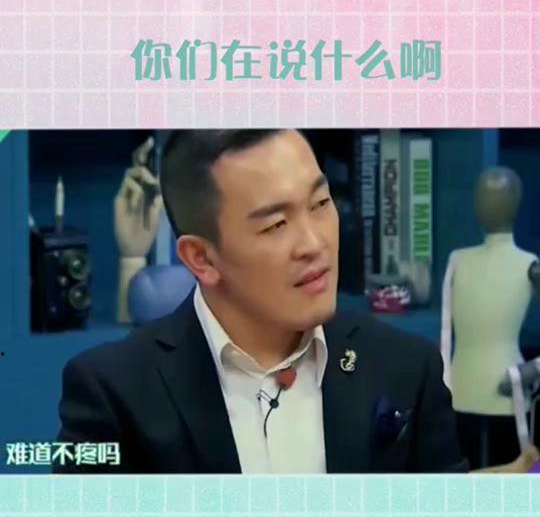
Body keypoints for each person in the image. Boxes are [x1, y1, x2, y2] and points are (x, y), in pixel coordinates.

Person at [54, 129, 468, 474]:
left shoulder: (407, 369)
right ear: (201, 258)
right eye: (276, 225)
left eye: (321, 204)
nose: (314, 243)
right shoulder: (114, 396)